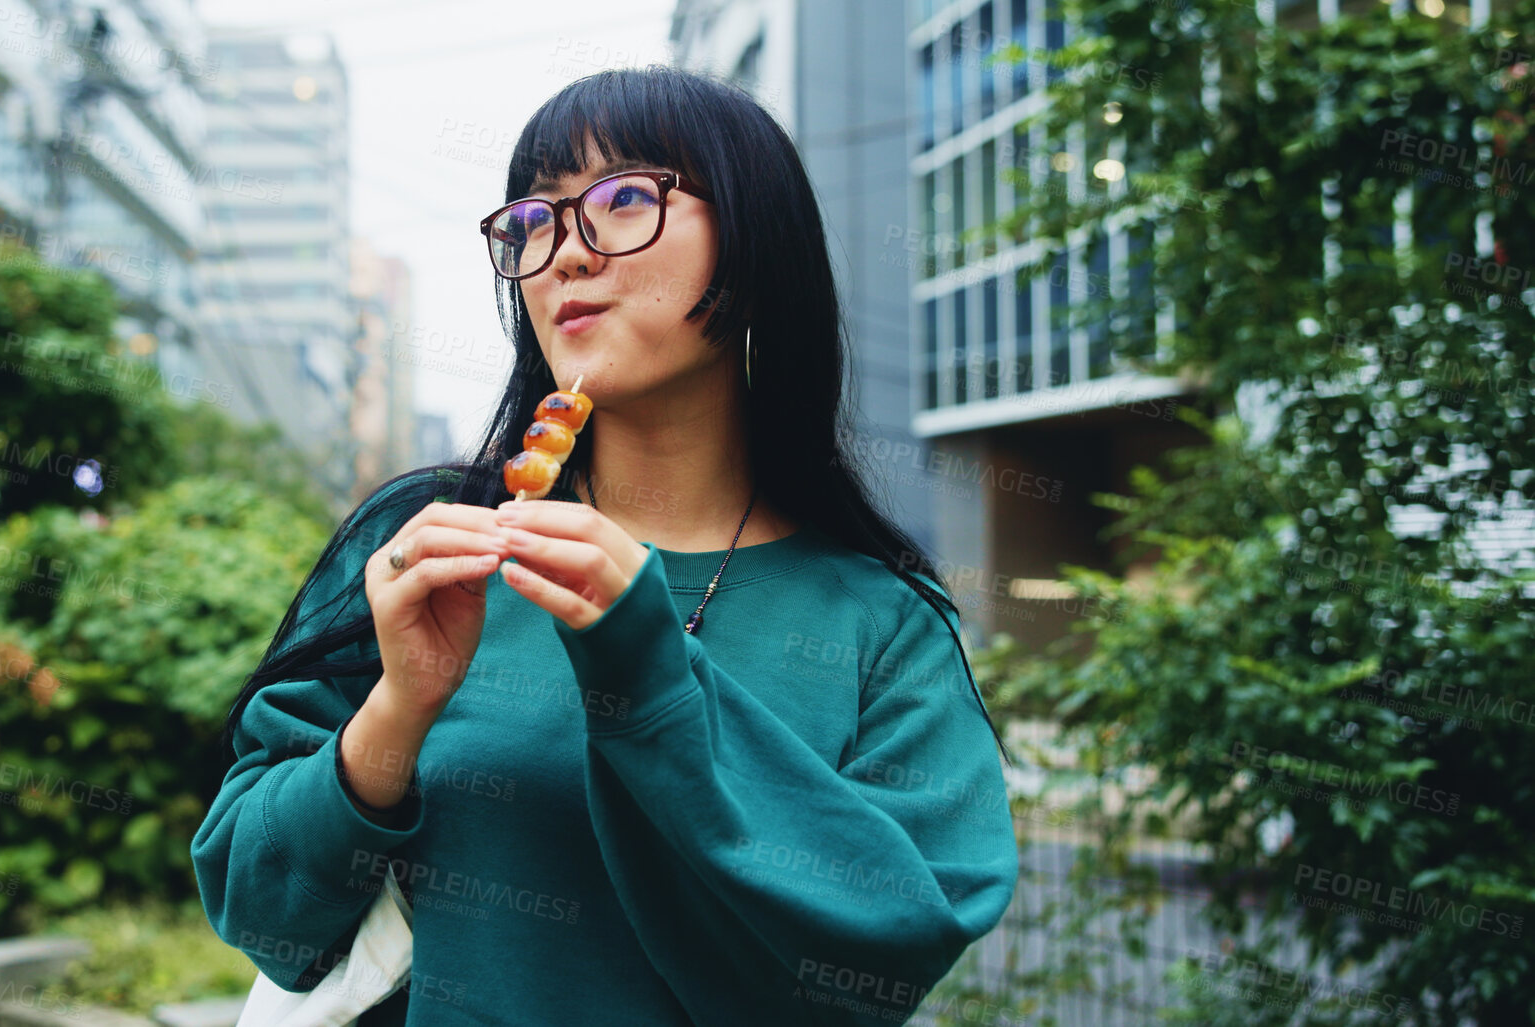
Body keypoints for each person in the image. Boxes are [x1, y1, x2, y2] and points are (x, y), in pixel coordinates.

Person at [193, 65, 1018, 1025]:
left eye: (626, 198)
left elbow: (882, 957)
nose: (564, 256)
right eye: (534, 220)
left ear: (755, 246)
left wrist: (648, 674)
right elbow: (262, 917)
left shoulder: (883, 621)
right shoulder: (428, 546)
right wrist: (398, 705)